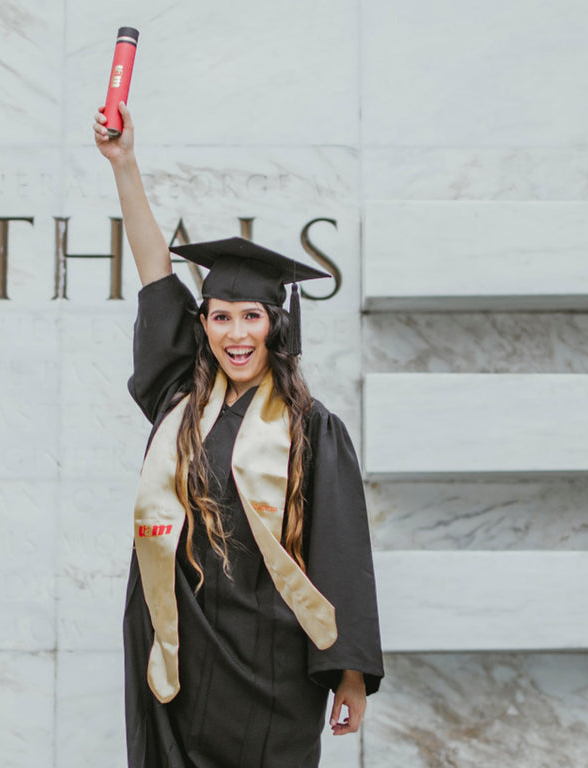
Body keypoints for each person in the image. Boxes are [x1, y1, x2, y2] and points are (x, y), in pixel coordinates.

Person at [94, 101, 383, 768]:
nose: (235, 334)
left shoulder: (313, 431)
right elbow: (154, 272)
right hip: (177, 652)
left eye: (250, 316)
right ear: (205, 326)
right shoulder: (180, 401)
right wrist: (125, 164)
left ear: (275, 326)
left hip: (268, 666)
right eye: (220, 317)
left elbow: (338, 551)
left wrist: (348, 673)